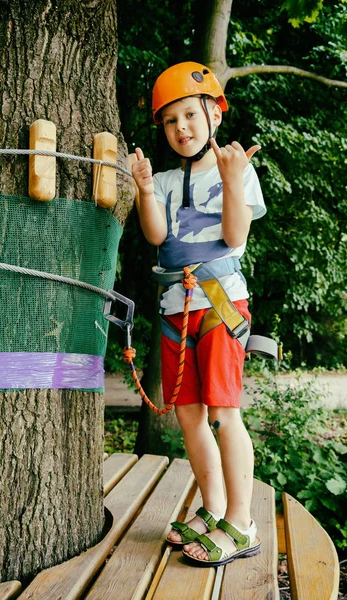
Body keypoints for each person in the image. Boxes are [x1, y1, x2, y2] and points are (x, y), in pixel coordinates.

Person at [131, 61, 266, 567]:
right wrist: (146, 189)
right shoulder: (167, 179)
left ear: (215, 113)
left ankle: (242, 521)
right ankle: (212, 510)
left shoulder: (237, 169)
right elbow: (157, 237)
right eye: (170, 120)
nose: (181, 127)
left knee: (224, 414)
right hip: (174, 307)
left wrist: (233, 180)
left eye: (190, 113)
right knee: (189, 416)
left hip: (219, 303)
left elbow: (235, 237)